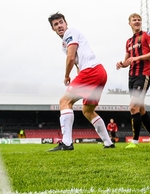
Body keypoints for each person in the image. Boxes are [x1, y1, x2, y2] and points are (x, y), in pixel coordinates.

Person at [47, 13, 114, 151]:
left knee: (65, 101)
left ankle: (66, 143)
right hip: (99, 72)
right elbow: (77, 61)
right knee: (87, 110)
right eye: (56, 24)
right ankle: (108, 142)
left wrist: (67, 76)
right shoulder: (65, 43)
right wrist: (79, 75)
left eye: (61, 22)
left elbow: (71, 58)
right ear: (53, 29)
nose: (59, 26)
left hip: (91, 71)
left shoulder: (70, 33)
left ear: (66, 23)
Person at [116, 13, 150, 148]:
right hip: (131, 76)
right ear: (129, 23)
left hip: (143, 75)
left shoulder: (147, 35)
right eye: (134, 20)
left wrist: (138, 58)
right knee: (140, 108)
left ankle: (135, 141)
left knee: (133, 106)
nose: (137, 21)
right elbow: (127, 61)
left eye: (139, 20)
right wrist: (121, 64)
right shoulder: (129, 42)